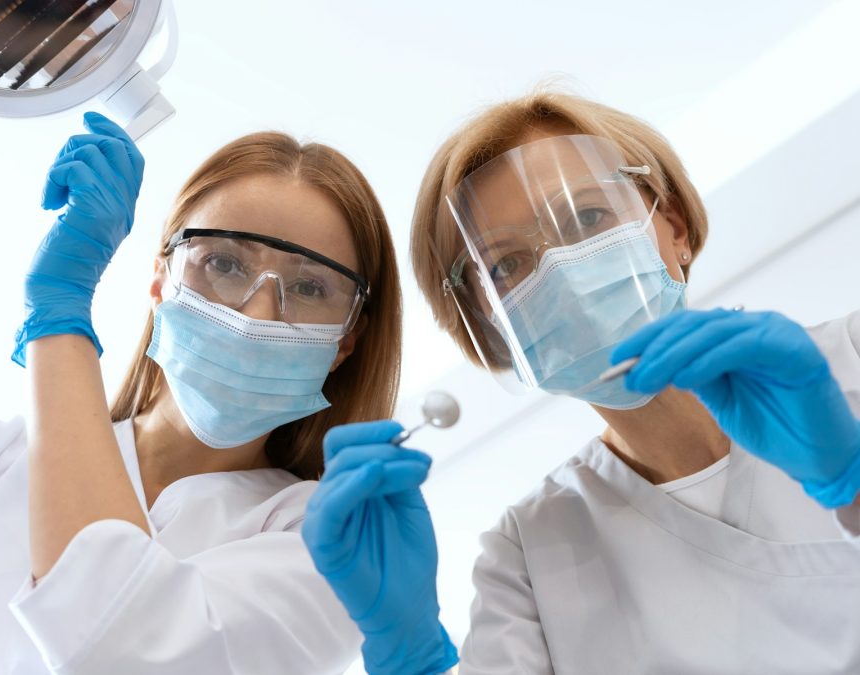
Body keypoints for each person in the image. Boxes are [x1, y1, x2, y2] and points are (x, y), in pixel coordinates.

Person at [0, 3, 404, 673]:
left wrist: (59, 315)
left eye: (309, 288)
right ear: (161, 280)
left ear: (347, 339)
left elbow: (120, 643)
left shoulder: (338, 540)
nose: (258, 311)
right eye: (224, 263)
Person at [303, 89, 860, 674]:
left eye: (588, 217)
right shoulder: (529, 556)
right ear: (488, 329)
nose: (560, 270)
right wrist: (408, 649)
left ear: (673, 227)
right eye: (506, 265)